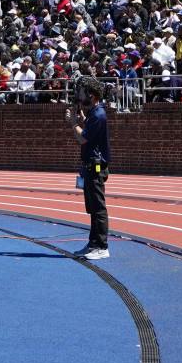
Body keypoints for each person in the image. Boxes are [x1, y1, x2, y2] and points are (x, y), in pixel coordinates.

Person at [71, 79, 110, 260]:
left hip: (96, 166)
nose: (79, 95)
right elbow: (90, 131)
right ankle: (93, 243)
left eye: (82, 92)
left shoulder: (99, 114)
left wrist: (73, 123)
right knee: (93, 208)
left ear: (91, 95)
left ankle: (102, 246)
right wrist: (81, 118)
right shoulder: (94, 113)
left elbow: (83, 139)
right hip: (90, 165)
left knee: (98, 208)